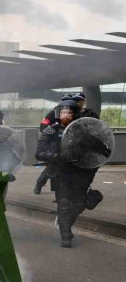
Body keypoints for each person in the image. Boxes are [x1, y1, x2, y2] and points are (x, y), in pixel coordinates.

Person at [35, 100, 103, 248]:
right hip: (60, 172)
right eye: (63, 112)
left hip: (80, 173)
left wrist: (102, 151)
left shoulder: (82, 131)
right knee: (64, 203)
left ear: (75, 114)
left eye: (69, 112)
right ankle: (65, 234)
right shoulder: (51, 131)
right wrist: (57, 156)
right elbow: (39, 153)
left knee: (80, 203)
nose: (65, 115)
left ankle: (64, 223)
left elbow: (100, 149)